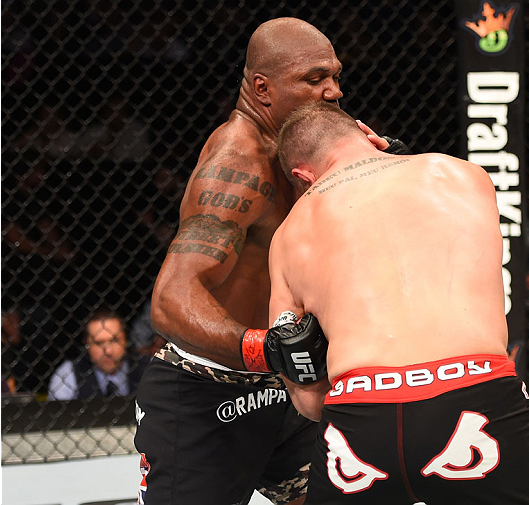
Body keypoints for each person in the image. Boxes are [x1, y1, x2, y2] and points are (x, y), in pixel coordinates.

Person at [134, 17, 409, 505]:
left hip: (290, 392)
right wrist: (269, 349)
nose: (333, 92)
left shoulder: (306, 150)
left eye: (335, 77)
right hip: (207, 396)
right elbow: (171, 299)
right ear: (262, 89)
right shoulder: (238, 161)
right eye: (314, 79)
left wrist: (379, 174)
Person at [269, 102, 529, 504]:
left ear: (302, 176)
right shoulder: (463, 176)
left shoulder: (289, 236)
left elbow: (308, 398)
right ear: (366, 132)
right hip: (475, 400)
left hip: (360, 423)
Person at [48, 307, 150, 400]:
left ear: (125, 340)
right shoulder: (68, 374)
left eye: (114, 340)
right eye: (99, 343)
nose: (108, 351)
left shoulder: (149, 368)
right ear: (86, 344)